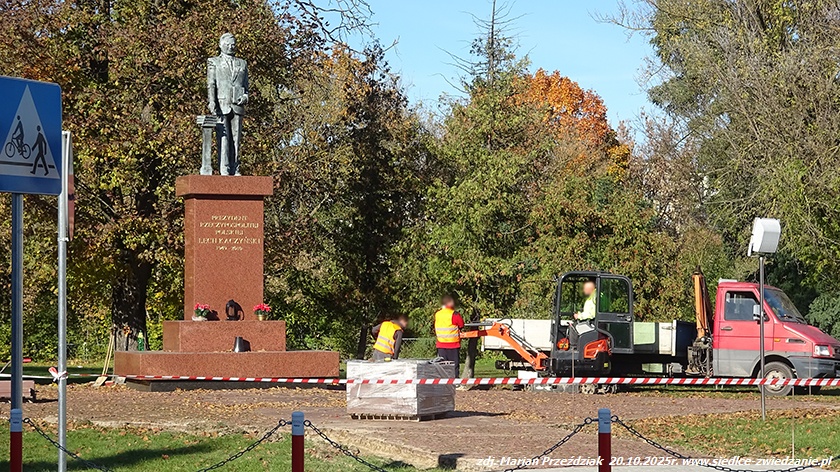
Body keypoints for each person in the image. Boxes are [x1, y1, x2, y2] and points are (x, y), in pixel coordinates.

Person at [207, 32, 249, 176]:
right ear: (220, 45)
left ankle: (235, 167)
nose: (231, 47)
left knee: (236, 139)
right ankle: (224, 168)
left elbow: (246, 87)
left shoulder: (242, 63)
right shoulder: (214, 62)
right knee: (223, 137)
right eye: (227, 44)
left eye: (233, 44)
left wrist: (245, 97)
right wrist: (212, 101)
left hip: (237, 105)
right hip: (221, 104)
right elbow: (211, 83)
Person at [434, 295, 464, 377]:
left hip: (441, 344)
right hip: (453, 344)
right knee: (454, 367)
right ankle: (454, 382)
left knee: (442, 367)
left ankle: (443, 382)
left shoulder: (437, 314)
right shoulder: (454, 314)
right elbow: (461, 325)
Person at [570, 280, 597, 346]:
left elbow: (592, 314)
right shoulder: (597, 295)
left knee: (573, 326)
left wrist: (579, 316)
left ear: (590, 288)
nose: (583, 290)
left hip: (592, 323)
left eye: (585, 288)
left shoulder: (595, 296)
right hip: (595, 322)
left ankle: (574, 347)